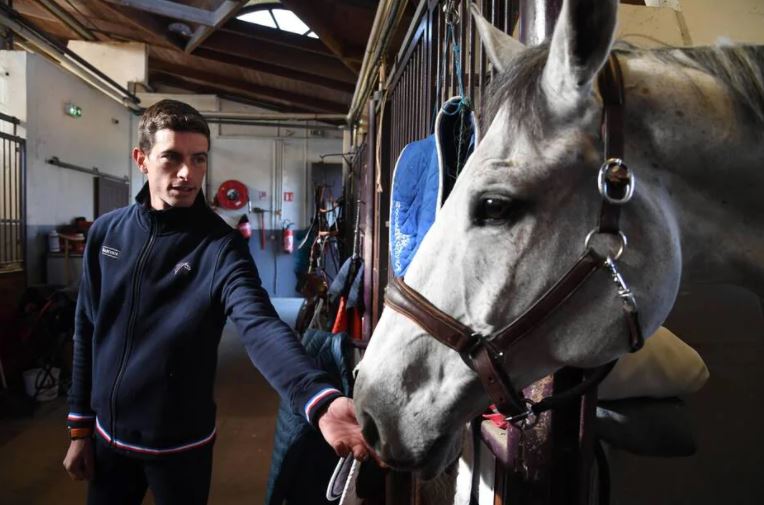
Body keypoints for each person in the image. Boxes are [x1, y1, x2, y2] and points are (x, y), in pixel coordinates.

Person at [62, 99, 372, 504]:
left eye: (199, 159)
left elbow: (259, 324)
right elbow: (86, 328)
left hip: (181, 448)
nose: (188, 173)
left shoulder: (220, 248)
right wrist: (80, 429)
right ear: (142, 160)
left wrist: (318, 399)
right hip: (107, 440)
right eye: (171, 158)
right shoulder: (106, 235)